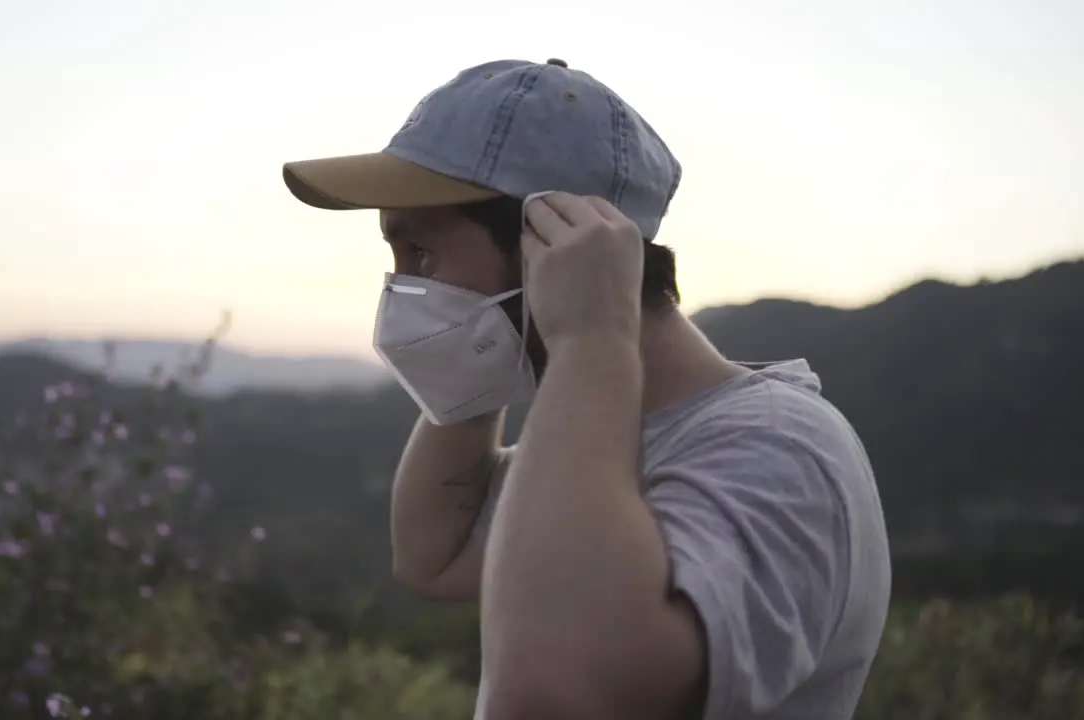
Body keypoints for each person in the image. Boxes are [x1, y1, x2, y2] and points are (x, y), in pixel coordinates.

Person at [281, 58, 891, 720]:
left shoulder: (780, 450)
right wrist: (470, 373)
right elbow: (434, 555)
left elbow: (561, 692)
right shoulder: (592, 451)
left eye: (419, 252)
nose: (402, 290)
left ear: (550, 242)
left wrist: (589, 342)